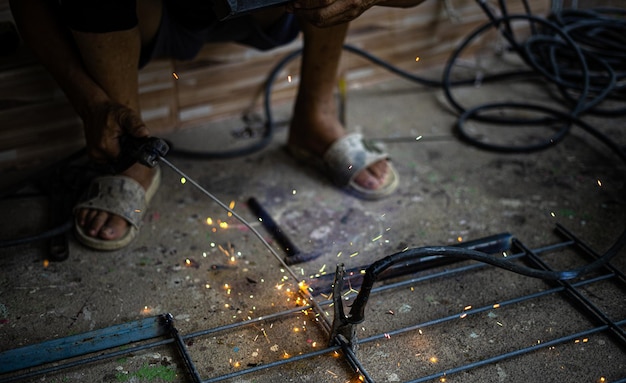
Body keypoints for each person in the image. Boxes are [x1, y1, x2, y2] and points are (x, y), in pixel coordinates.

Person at [9, 0, 426, 250]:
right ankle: (130, 156)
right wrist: (91, 103)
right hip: (147, 13)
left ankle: (315, 118)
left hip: (272, 10)